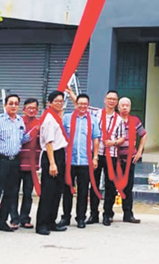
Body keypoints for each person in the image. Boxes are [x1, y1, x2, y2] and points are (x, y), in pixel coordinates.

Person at [0, 94, 30, 235]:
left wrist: (34, 132)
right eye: (11, 103)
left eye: (16, 103)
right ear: (5, 105)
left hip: (14, 161)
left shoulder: (20, 121)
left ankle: (2, 222)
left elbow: (22, 139)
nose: (13, 106)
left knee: (11, 193)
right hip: (0, 160)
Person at [59, 93, 100, 228]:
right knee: (67, 190)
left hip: (85, 161)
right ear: (75, 104)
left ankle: (81, 217)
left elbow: (96, 139)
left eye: (85, 104)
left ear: (88, 105)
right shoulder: (66, 118)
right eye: (80, 103)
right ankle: (65, 217)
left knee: (83, 191)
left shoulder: (93, 120)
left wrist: (95, 157)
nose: (82, 106)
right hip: (68, 161)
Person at [86, 89, 124, 226]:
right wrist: (70, 92)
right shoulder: (96, 114)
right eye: (109, 98)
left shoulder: (119, 119)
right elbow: (81, 104)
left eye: (114, 99)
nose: (111, 101)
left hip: (111, 155)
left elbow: (122, 137)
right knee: (94, 184)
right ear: (105, 100)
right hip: (96, 153)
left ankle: (108, 214)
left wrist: (113, 142)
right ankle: (93, 214)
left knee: (110, 186)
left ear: (117, 102)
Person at [35, 91, 69, 236]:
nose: (59, 104)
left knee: (57, 191)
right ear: (49, 103)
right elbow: (48, 142)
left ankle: (51, 221)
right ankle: (42, 224)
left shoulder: (56, 117)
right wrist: (52, 163)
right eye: (56, 101)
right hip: (51, 156)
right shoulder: (48, 118)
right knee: (48, 192)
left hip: (59, 154)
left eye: (61, 101)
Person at [12, 98, 41, 228]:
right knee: (13, 192)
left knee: (28, 193)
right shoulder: (18, 122)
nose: (31, 110)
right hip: (17, 162)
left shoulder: (40, 124)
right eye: (29, 108)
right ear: (23, 109)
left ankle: (25, 218)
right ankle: (14, 218)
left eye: (34, 108)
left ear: (37, 110)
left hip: (32, 165)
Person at [117, 96, 147, 223]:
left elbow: (144, 134)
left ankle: (128, 214)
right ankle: (107, 214)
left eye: (127, 105)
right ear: (118, 107)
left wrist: (139, 151)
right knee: (112, 186)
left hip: (130, 159)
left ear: (130, 107)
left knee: (128, 187)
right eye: (122, 105)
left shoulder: (135, 120)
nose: (124, 107)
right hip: (115, 159)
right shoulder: (114, 119)